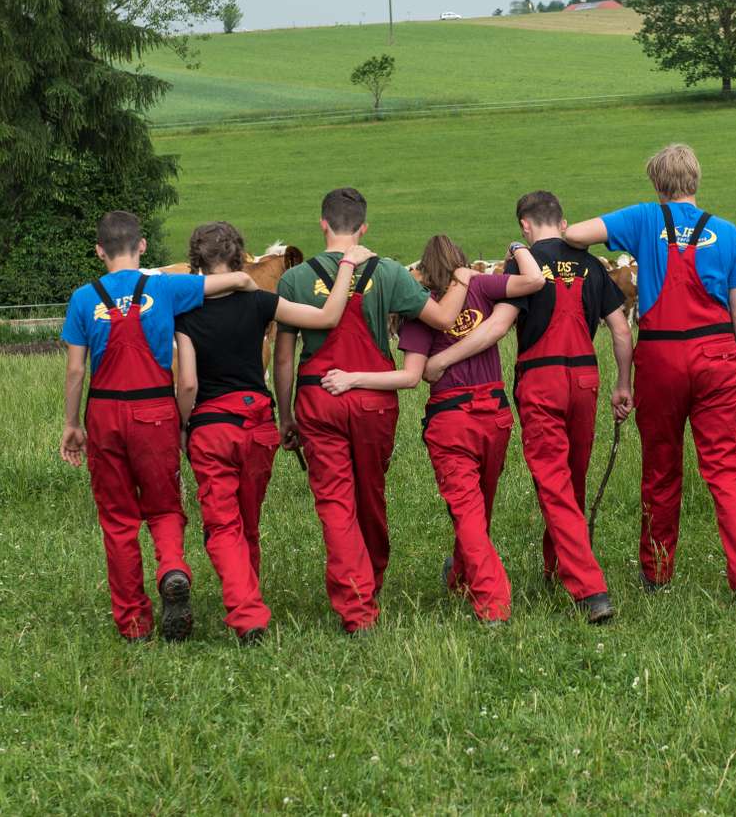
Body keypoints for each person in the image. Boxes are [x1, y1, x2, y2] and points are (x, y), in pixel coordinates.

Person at [562, 144, 736, 605]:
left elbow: (577, 234)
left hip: (658, 358)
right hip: (717, 355)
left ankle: (657, 570)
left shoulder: (642, 219)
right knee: (728, 470)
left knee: (661, 465)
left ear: (657, 185)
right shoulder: (728, 233)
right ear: (696, 179)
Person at [423, 191, 632, 624]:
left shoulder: (522, 265)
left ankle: (590, 590)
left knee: (553, 484)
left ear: (525, 225)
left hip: (541, 380)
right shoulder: (592, 264)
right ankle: (556, 567)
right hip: (586, 380)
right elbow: (620, 330)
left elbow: (497, 328)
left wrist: (445, 358)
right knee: (572, 479)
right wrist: (622, 384)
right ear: (563, 220)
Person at [274, 189, 473, 635]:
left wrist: (285, 414)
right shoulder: (387, 273)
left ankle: (357, 606)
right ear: (364, 226)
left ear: (322, 223)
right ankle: (372, 578)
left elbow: (284, 358)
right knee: (370, 494)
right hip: (373, 401)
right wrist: (461, 277)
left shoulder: (295, 280)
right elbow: (442, 319)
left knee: (334, 504)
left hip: (318, 396)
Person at [320, 234, 544, 624]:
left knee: (469, 513)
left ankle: (492, 603)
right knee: (479, 508)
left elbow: (412, 378)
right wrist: (517, 247)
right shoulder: (481, 285)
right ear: (459, 262)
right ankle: (461, 578)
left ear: (424, 270)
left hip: (451, 418)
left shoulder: (421, 313)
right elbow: (535, 280)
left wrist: (355, 379)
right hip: (494, 413)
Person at [59, 210, 257, 643]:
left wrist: (72, 425)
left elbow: (76, 372)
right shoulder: (165, 287)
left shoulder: (82, 298)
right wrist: (247, 283)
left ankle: (133, 622)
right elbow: (230, 283)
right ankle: (172, 567)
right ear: (142, 246)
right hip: (155, 412)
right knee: (164, 505)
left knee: (117, 519)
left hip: (105, 413)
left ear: (99, 251)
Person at [173, 221, 374, 645]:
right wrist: (345, 269)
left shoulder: (185, 313)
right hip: (257, 423)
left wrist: (183, 425)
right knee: (248, 521)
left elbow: (187, 382)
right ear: (240, 254)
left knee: (222, 526)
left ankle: (248, 616)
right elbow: (327, 316)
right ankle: (249, 594)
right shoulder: (262, 301)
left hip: (212, 426)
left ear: (196, 261)